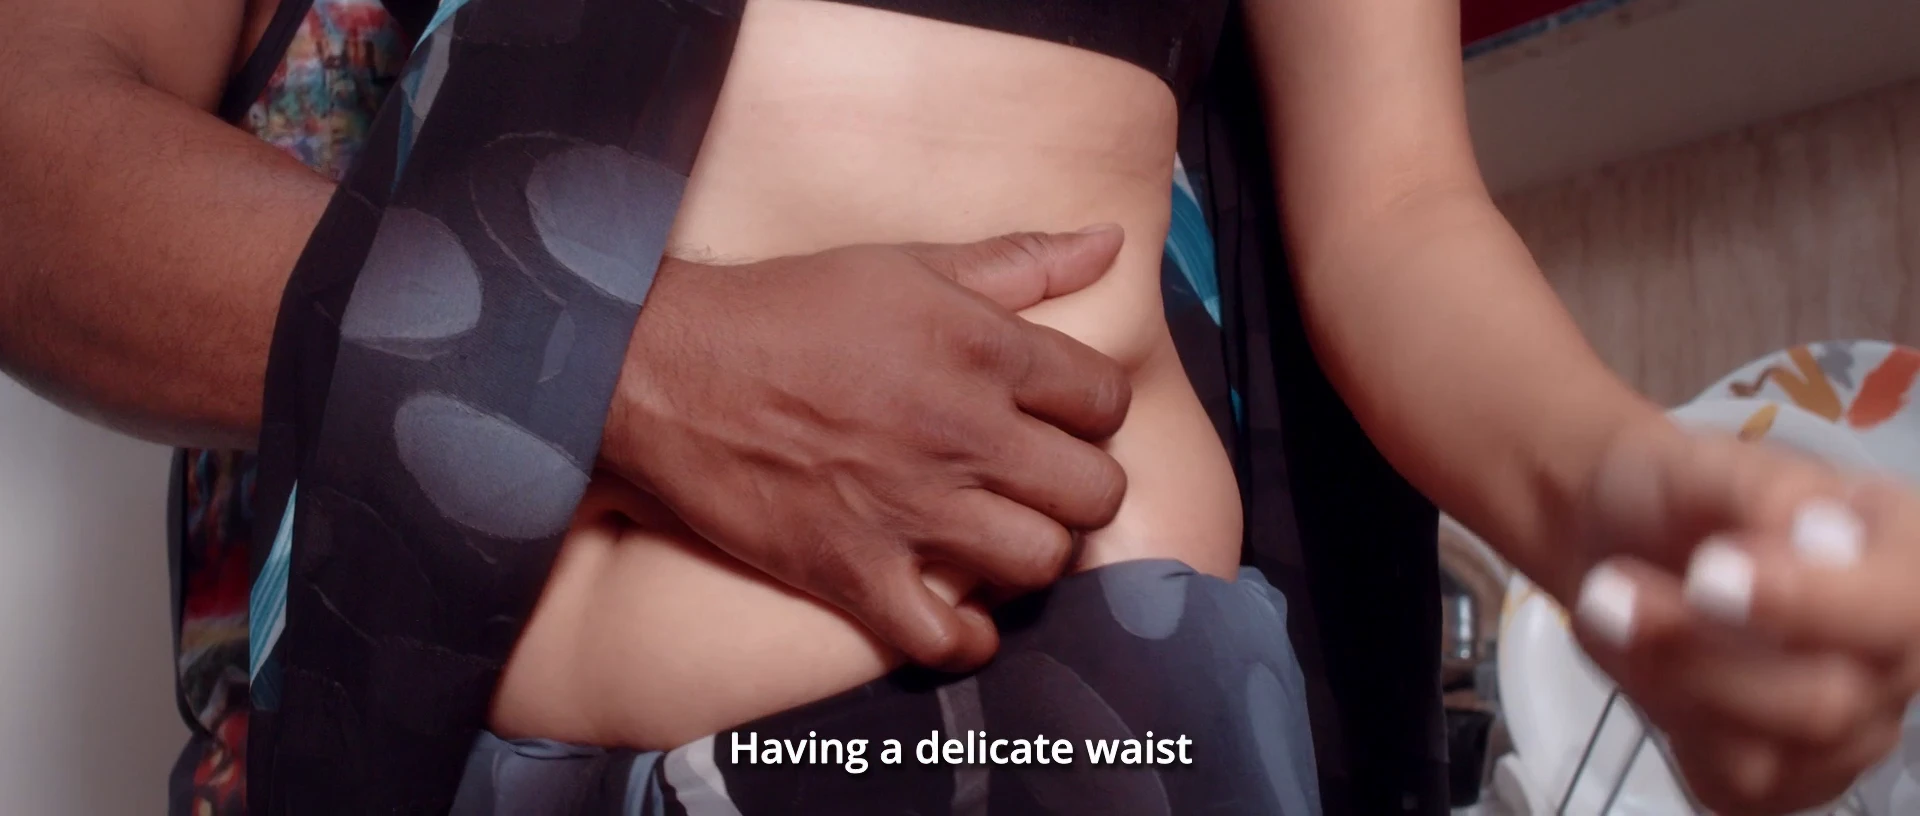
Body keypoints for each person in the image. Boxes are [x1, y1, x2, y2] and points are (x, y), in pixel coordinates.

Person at [2, 0, 1917, 814]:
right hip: (447, 747)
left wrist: (1617, 491)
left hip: (1066, 740)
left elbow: (1399, 210)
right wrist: (650, 366)